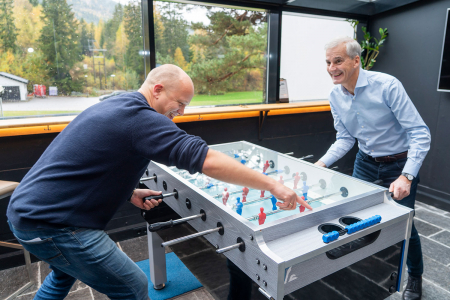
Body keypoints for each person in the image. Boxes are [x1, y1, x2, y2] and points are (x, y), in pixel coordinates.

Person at [6, 64, 312, 300]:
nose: (179, 113)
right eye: (179, 104)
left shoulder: (119, 104)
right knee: (132, 286)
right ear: (158, 89)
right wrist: (274, 185)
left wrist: (129, 191)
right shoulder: (140, 118)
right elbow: (205, 159)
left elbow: (90, 165)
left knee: (61, 275)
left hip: (30, 212)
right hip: (54, 225)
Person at [315, 37, 431, 300]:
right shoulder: (335, 95)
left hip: (399, 165)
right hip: (365, 163)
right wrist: (320, 164)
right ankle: (359, 254)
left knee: (405, 226)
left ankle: (414, 275)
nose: (332, 67)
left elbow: (419, 133)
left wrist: (407, 176)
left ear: (356, 61)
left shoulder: (387, 85)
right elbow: (345, 138)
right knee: (355, 214)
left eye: (338, 61)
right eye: (328, 62)